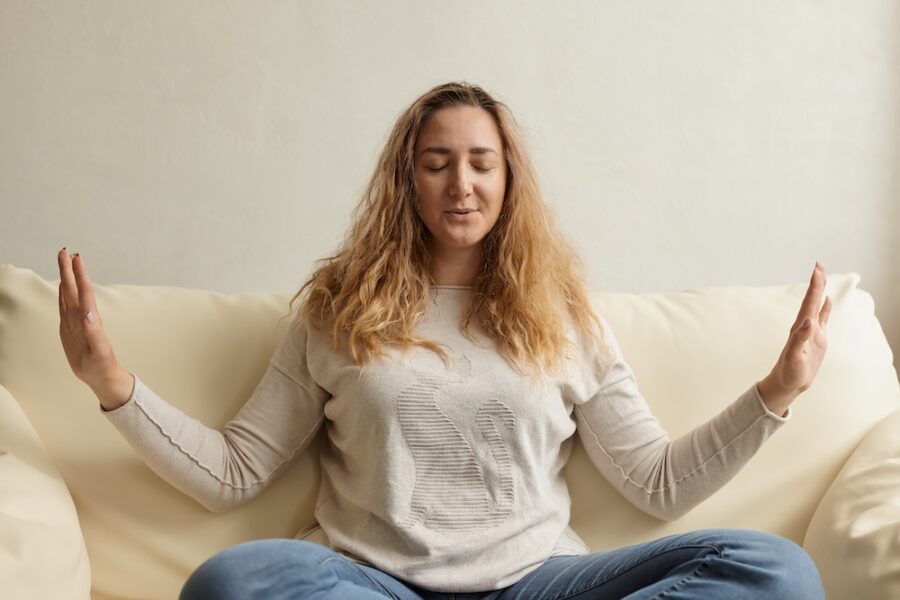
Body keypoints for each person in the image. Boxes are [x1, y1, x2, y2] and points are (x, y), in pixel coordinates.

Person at [57, 81, 831, 599]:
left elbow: (656, 483)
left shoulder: (564, 314)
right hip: (371, 583)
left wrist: (780, 390)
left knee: (778, 571)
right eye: (438, 164)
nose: (461, 184)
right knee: (229, 583)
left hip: (535, 582)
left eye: (480, 164)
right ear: (408, 181)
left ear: (508, 181)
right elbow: (232, 472)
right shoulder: (337, 310)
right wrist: (109, 381)